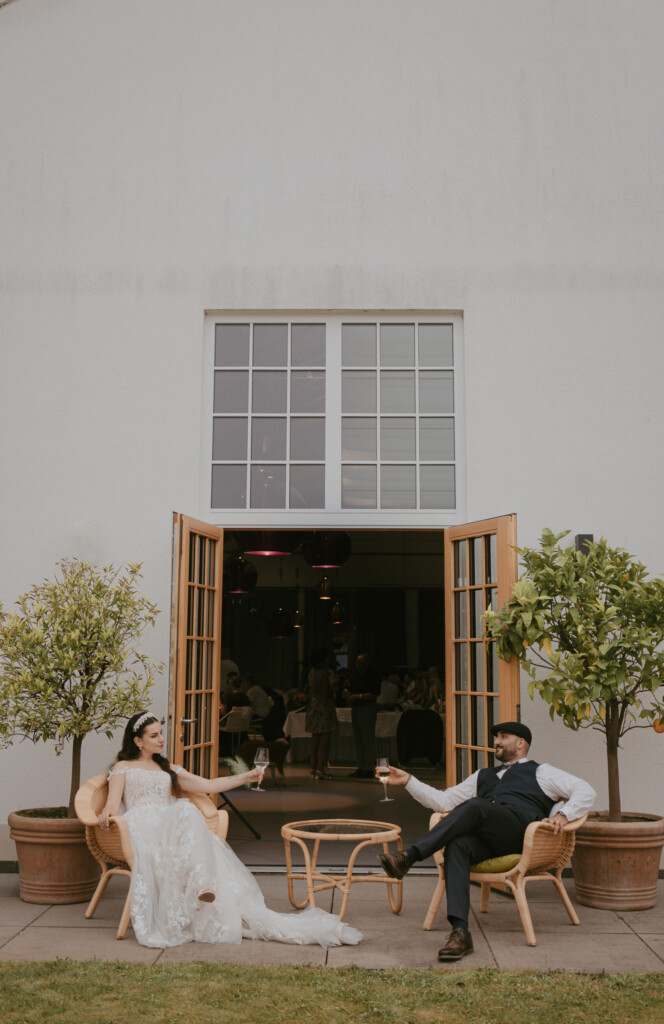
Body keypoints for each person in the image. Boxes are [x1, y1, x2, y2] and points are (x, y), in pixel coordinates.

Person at [98, 712, 362, 949]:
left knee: (187, 809)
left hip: (172, 828)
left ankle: (204, 884)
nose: (161, 739)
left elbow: (209, 785)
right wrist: (105, 814)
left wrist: (245, 777)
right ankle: (202, 881)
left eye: (161, 734)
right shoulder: (123, 768)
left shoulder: (168, 769)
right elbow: (112, 803)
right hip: (144, 828)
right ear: (138, 741)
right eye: (154, 735)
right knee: (185, 809)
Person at [377, 721, 596, 963]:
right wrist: (409, 780)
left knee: (477, 806)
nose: (497, 741)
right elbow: (443, 801)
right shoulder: (483, 775)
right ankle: (460, 933)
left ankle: (411, 856)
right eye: (496, 737)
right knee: (457, 845)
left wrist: (563, 814)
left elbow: (585, 790)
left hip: (523, 836)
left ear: (521, 743)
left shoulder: (541, 772)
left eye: (504, 736)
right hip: (490, 840)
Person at [344, 653, 381, 778]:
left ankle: (368, 767)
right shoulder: (355, 675)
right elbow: (351, 688)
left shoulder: (373, 676)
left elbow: (375, 694)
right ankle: (360, 766)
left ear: (367, 664)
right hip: (356, 708)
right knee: (358, 739)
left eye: (361, 664)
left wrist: (358, 696)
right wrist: (347, 692)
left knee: (367, 739)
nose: (358, 666)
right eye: (357, 663)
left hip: (367, 707)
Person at [306, 648, 337, 780]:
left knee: (315, 738)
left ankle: (313, 769)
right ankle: (321, 768)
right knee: (325, 739)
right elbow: (326, 692)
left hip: (313, 706)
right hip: (324, 706)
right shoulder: (325, 673)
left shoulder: (312, 672)